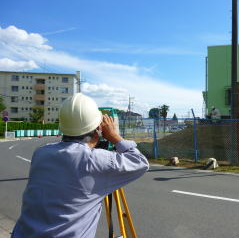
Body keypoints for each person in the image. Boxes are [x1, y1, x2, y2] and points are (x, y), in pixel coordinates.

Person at [11, 93, 149, 238]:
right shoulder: (95, 160)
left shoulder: (41, 153)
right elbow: (140, 162)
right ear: (98, 129)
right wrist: (114, 136)